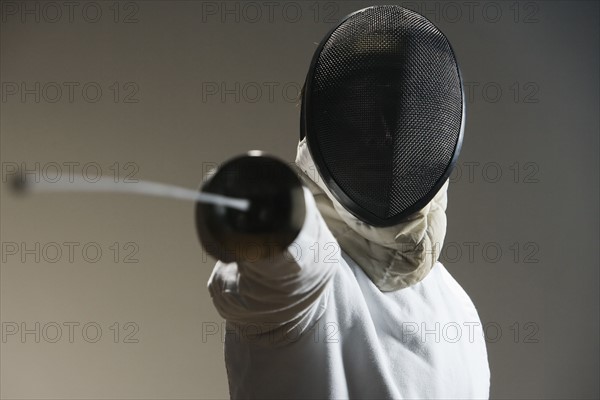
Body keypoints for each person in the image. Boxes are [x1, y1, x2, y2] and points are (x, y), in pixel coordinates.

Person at [201, 5, 490, 399]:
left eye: (402, 110)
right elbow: (288, 272)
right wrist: (270, 220)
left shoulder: (460, 312)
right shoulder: (311, 284)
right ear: (323, 121)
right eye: (364, 112)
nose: (386, 136)